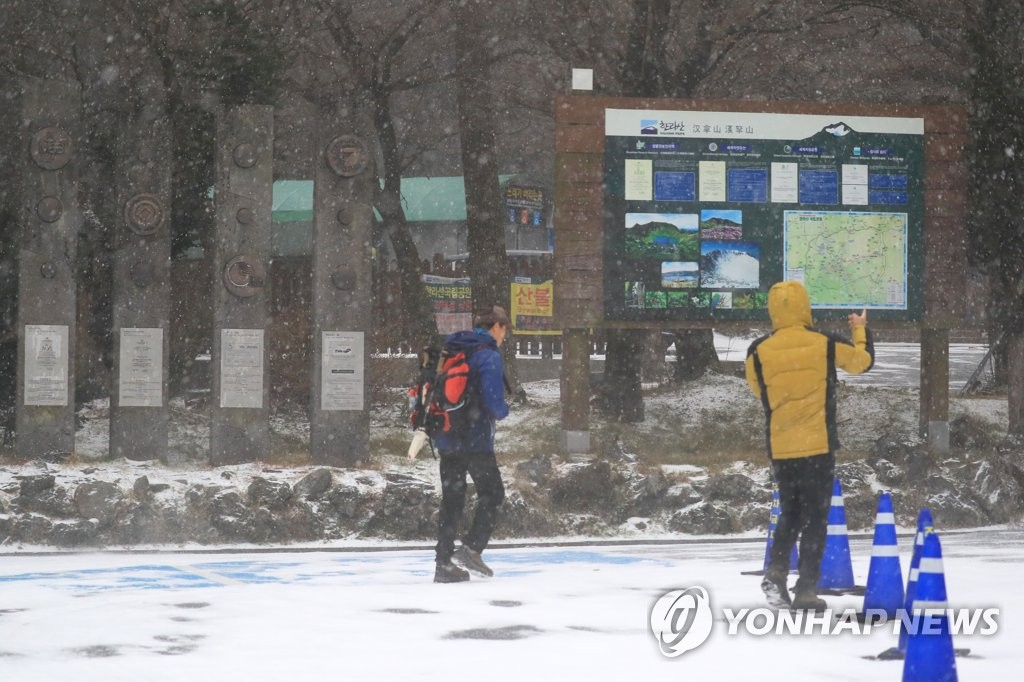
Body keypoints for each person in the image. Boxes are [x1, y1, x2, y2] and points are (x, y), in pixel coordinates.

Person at [744, 281, 874, 610]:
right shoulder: (824, 343)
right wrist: (859, 329)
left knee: (790, 512)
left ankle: (775, 571)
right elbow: (862, 362)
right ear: (805, 307)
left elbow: (761, 392)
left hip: (782, 446)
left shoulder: (758, 351)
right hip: (817, 445)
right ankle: (806, 590)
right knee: (816, 519)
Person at [433, 305, 511, 583]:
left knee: (452, 500)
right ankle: (472, 548)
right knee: (493, 494)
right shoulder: (487, 355)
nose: (504, 337)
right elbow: (492, 400)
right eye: (505, 330)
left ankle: (443, 565)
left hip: (446, 437)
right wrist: (504, 411)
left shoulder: (454, 350)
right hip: (475, 441)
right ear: (497, 327)